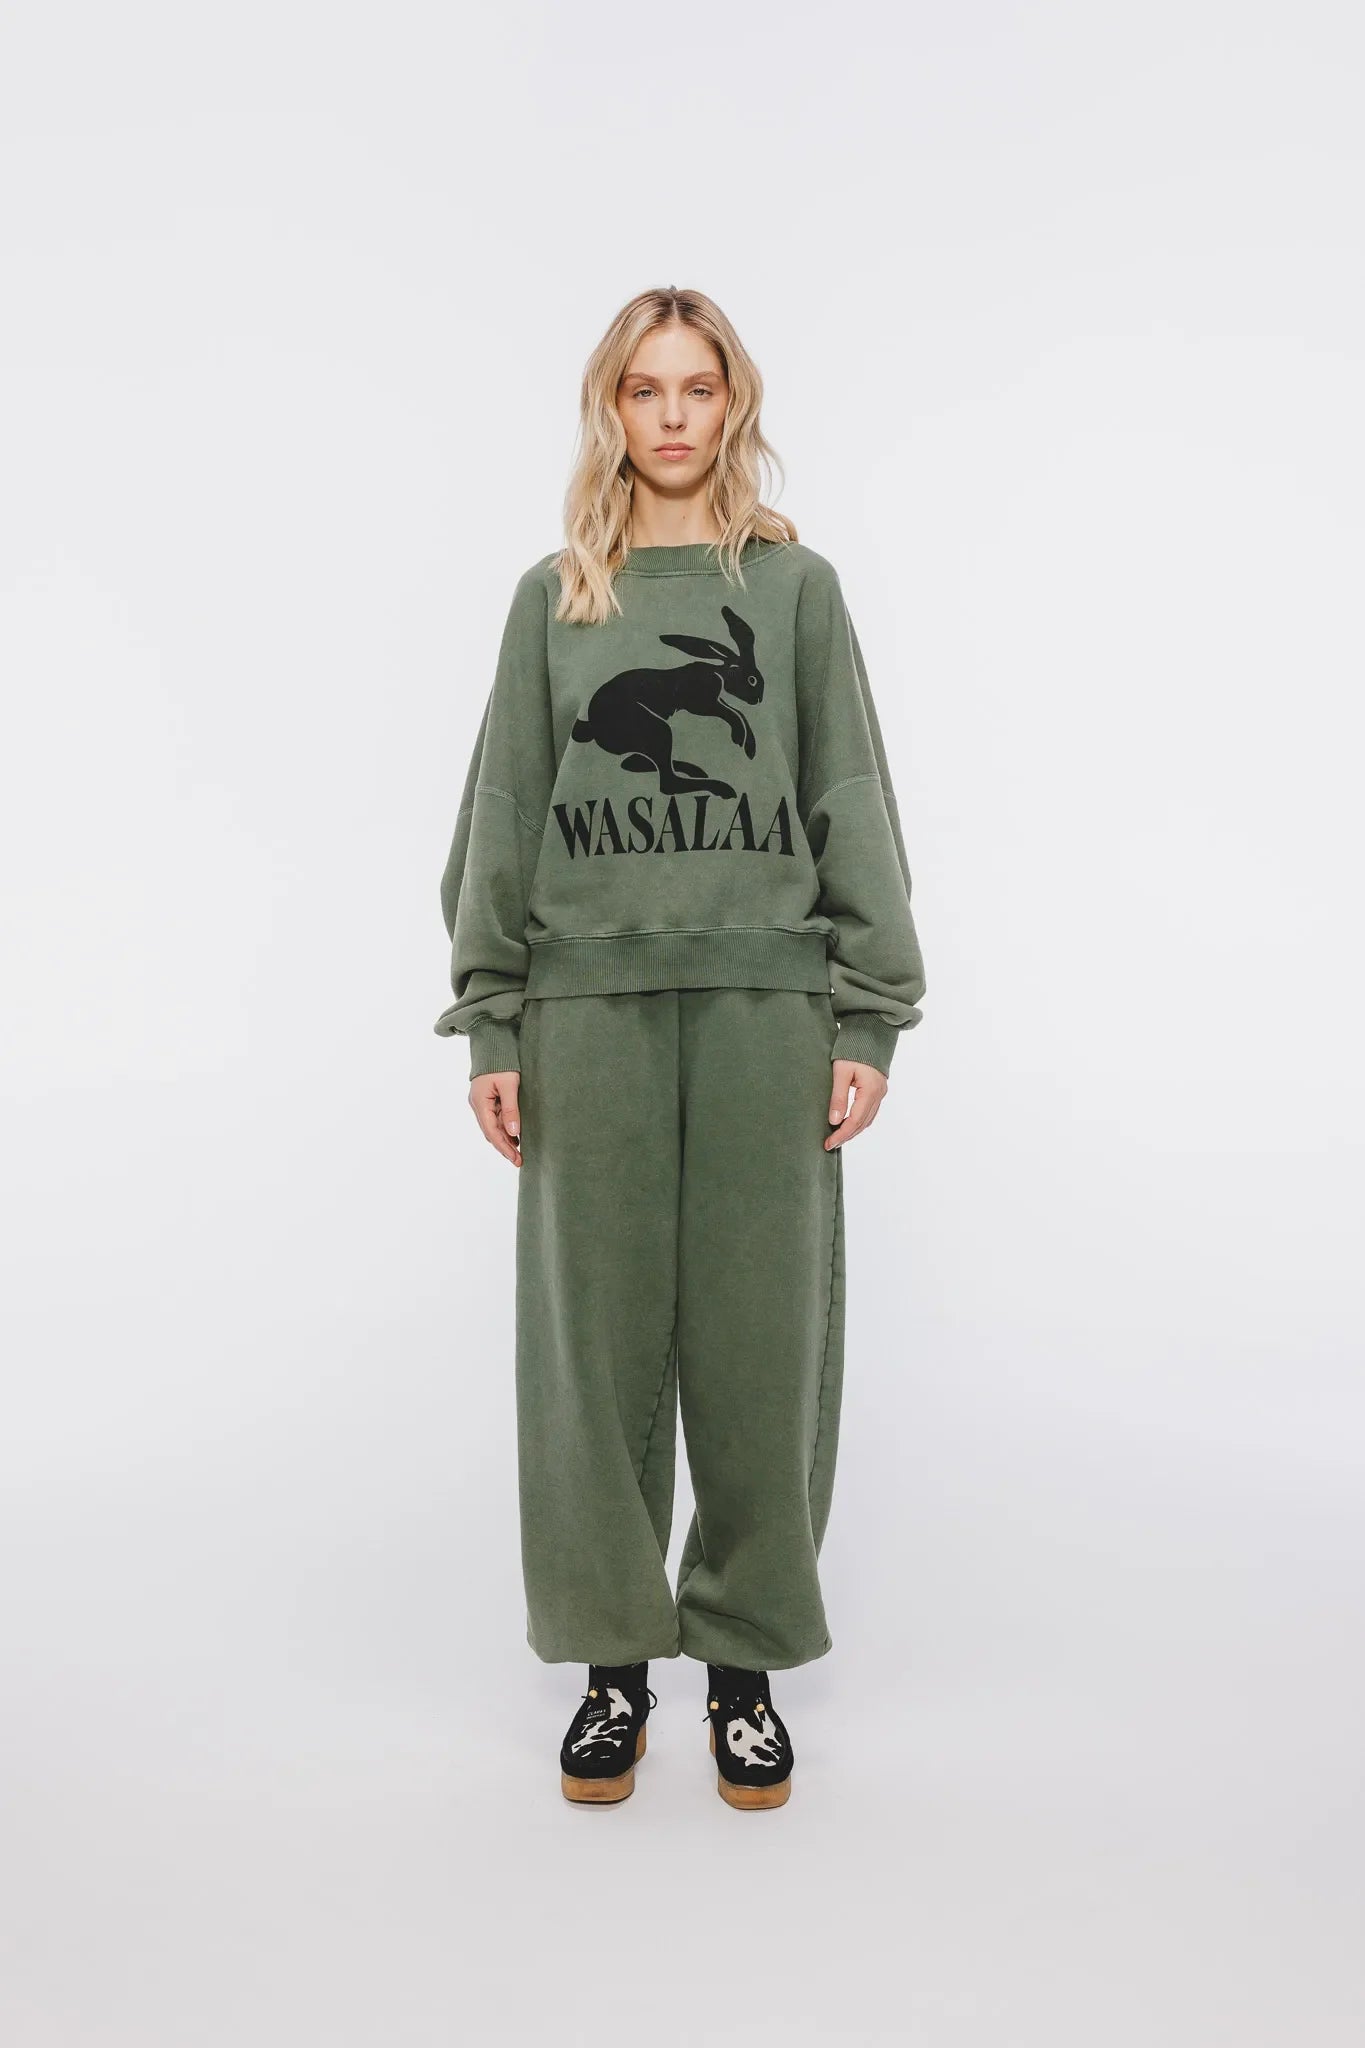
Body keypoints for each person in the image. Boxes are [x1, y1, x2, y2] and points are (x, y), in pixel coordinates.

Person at [434, 286, 926, 1811]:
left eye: (695, 389)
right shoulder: (554, 598)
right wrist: (492, 1013)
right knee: (588, 1354)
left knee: (761, 1345)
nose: (668, 415)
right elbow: (502, 810)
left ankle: (743, 1666)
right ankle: (609, 1667)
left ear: (731, 405)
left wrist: (867, 1011)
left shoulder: (792, 591)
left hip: (766, 1008)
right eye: (642, 389)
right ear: (610, 408)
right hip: (583, 1013)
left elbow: (848, 791)